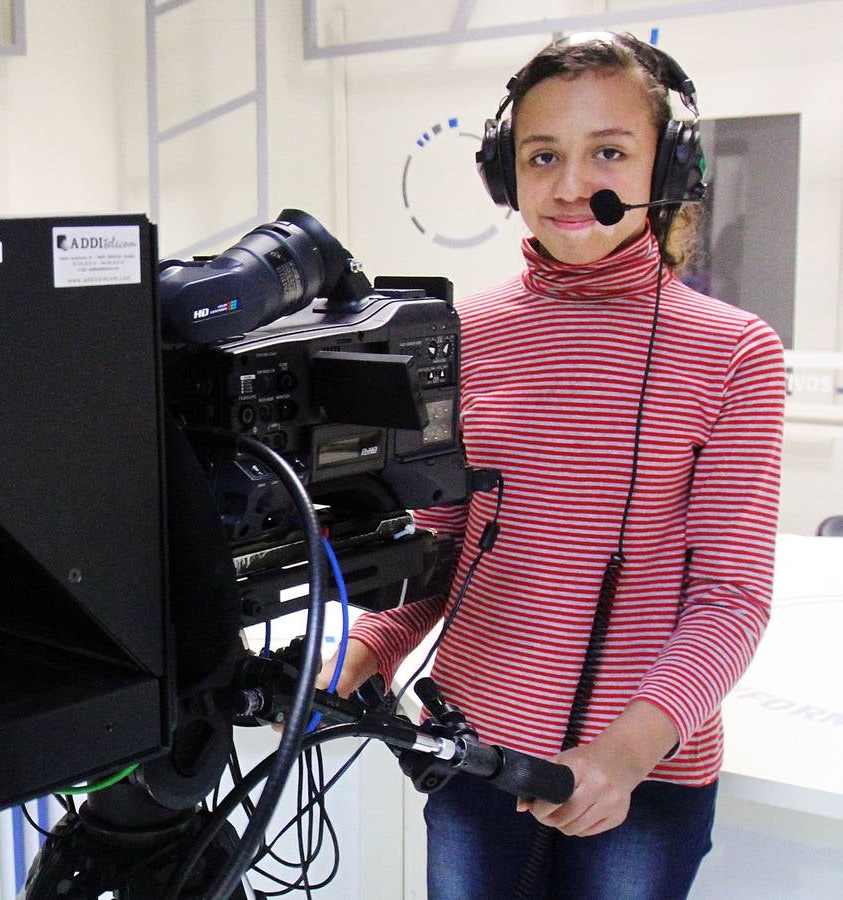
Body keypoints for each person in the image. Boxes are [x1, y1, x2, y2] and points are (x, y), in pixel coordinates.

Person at [322, 32, 785, 899]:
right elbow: (444, 550)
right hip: (471, 754)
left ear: (668, 169)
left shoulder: (733, 354)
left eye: (608, 151)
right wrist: (368, 644)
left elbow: (730, 598)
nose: (571, 185)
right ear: (507, 174)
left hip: (638, 779)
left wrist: (623, 753)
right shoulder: (460, 338)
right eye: (542, 156)